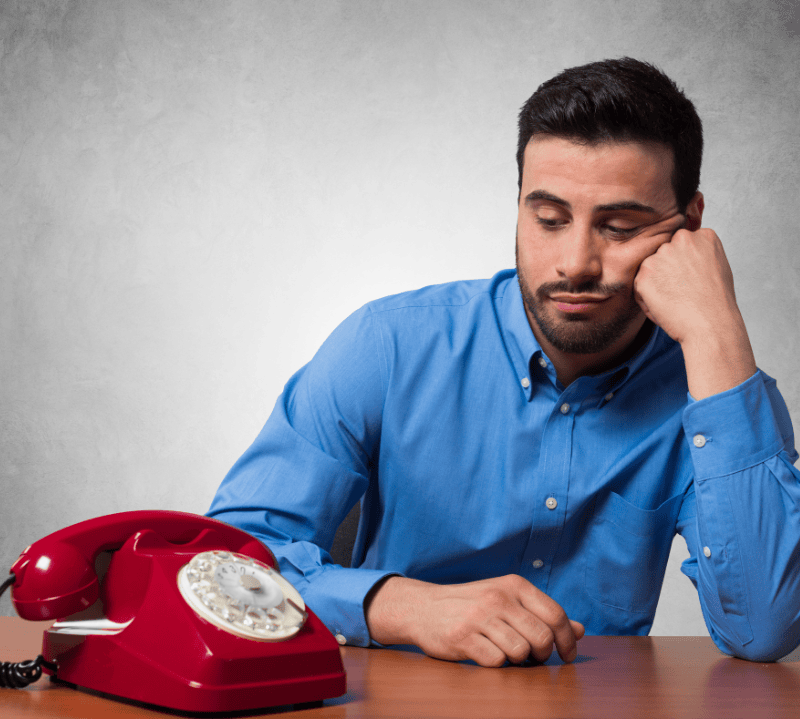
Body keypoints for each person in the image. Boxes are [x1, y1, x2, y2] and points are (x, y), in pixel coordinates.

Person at [208, 57, 800, 666]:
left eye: (619, 227)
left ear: (690, 227)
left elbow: (764, 629)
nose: (575, 263)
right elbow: (228, 560)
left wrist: (716, 332)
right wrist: (403, 607)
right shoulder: (387, 345)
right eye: (548, 219)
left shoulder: (720, 393)